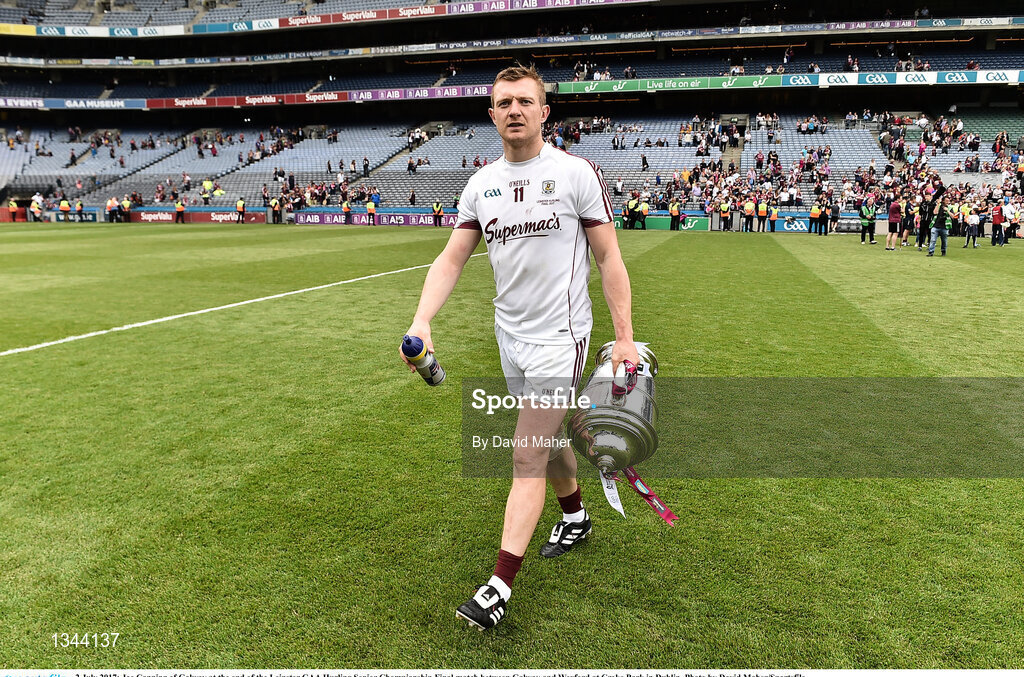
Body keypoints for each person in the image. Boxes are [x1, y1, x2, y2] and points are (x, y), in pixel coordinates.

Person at [401, 65, 637, 631]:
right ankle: (575, 515)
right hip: (510, 337)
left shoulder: (576, 173)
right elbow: (452, 258)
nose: (514, 110)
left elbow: (609, 259)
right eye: (503, 102)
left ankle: (498, 585)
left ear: (544, 111)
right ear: (491, 114)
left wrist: (624, 336)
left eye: (525, 101)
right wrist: (422, 320)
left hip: (563, 337)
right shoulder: (480, 184)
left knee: (527, 451)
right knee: (550, 436)